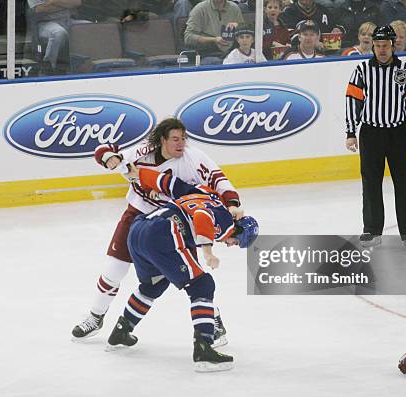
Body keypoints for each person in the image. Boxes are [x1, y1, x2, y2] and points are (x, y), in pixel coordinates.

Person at [71, 118, 241, 346]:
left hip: (173, 223)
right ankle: (95, 316)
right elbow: (104, 151)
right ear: (162, 140)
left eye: (183, 139)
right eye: (175, 139)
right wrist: (110, 158)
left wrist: (232, 202)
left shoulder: (193, 159)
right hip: (138, 216)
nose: (181, 144)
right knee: (114, 270)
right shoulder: (141, 153)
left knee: (195, 277)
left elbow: (218, 179)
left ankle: (215, 322)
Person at [105, 166, 259, 372]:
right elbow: (203, 216)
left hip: (138, 230)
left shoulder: (203, 193)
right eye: (238, 242)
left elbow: (168, 182)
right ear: (239, 231)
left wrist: (138, 174)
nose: (231, 244)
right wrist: (208, 252)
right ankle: (203, 349)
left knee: (154, 284)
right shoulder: (225, 220)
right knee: (202, 285)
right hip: (162, 233)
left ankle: (121, 331)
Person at [344, 25, 406, 248]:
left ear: (393, 46)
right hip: (370, 133)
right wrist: (351, 132)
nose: (381, 50)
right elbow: (353, 101)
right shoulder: (362, 70)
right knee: (370, 183)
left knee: (405, 182)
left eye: (385, 46)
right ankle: (371, 229)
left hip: (398, 133)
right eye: (377, 46)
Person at [27, 0, 82, 74]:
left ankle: (91, 66)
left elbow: (76, 2)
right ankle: (47, 66)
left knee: (89, 27)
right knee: (58, 32)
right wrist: (65, 5)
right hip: (45, 23)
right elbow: (39, 9)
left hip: (67, 21)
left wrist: (52, 1)